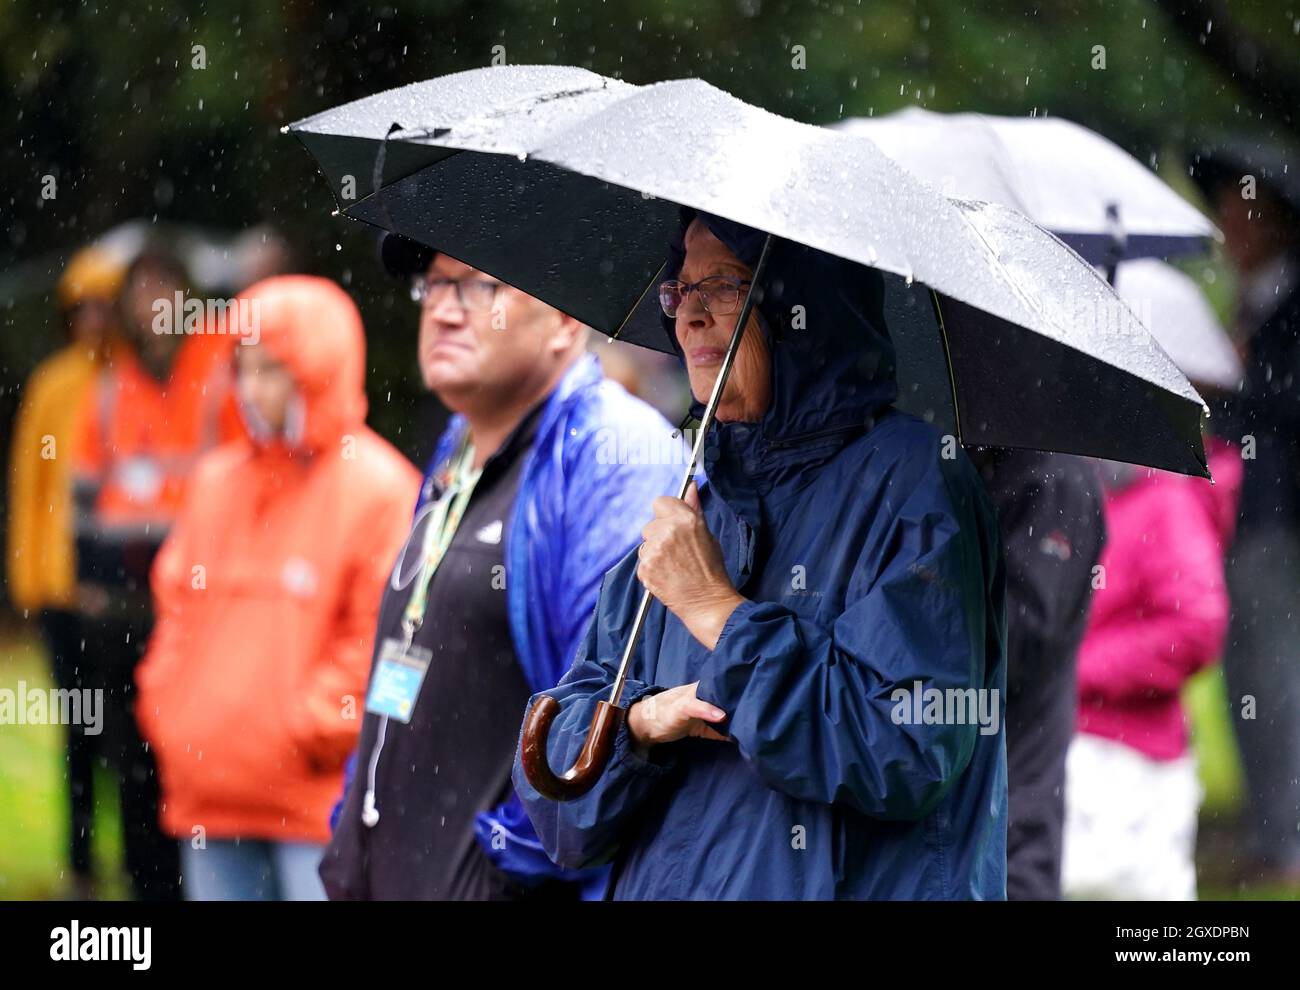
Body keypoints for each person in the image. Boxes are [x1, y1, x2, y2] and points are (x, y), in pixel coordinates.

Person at [514, 210, 1008, 900]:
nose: (690, 318)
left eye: (724, 286)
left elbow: (907, 747)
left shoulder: (917, 483)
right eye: (679, 293)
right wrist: (637, 726)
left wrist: (718, 611)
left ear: (802, 307)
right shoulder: (694, 506)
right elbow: (565, 816)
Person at [319, 240, 683, 900]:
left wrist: (503, 871)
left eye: (479, 286)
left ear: (566, 320)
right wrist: (349, 837)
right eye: (434, 285)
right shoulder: (460, 448)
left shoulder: (612, 455)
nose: (445, 310)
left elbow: (606, 714)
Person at [133, 275, 418, 900]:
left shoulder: (380, 489)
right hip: (210, 795)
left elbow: (389, 639)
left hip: (317, 805)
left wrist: (301, 731)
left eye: (275, 368)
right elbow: (176, 613)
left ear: (319, 370)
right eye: (244, 368)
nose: (255, 389)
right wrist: (174, 714)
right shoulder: (216, 483)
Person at [69, 242, 242, 900]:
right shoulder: (111, 388)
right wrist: (85, 588)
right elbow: (82, 495)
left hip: (196, 609)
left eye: (166, 286)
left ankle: (194, 882)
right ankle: (148, 893)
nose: (155, 303)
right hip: (119, 614)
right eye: (143, 289)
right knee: (131, 766)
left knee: (193, 759)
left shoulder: (220, 373)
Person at [1062, 436, 1241, 900]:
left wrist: (1076, 669)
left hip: (1129, 765)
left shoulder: (1165, 502)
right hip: (1070, 743)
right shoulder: (1083, 492)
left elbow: (1195, 626)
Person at [1193, 141, 1300, 884]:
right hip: (1247, 512)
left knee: (1272, 672)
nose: (1231, 221)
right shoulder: (1253, 303)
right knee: (1251, 672)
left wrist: (1227, 383)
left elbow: (1283, 405)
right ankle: (1273, 832)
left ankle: (1285, 843)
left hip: (1278, 516)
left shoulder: (1290, 308)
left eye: (1247, 205)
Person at [6, 244, 124, 897]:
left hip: (118, 592)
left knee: (127, 734)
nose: (93, 320)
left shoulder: (134, 380)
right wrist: (29, 578)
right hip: (61, 589)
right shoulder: (54, 382)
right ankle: (79, 861)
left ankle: (140, 856)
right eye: (82, 308)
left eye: (104, 307)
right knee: (79, 728)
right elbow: (30, 483)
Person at [968, 449, 1104, 900]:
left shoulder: (1056, 479)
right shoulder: (981, 465)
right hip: (973, 790)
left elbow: (1020, 637)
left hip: (1016, 796)